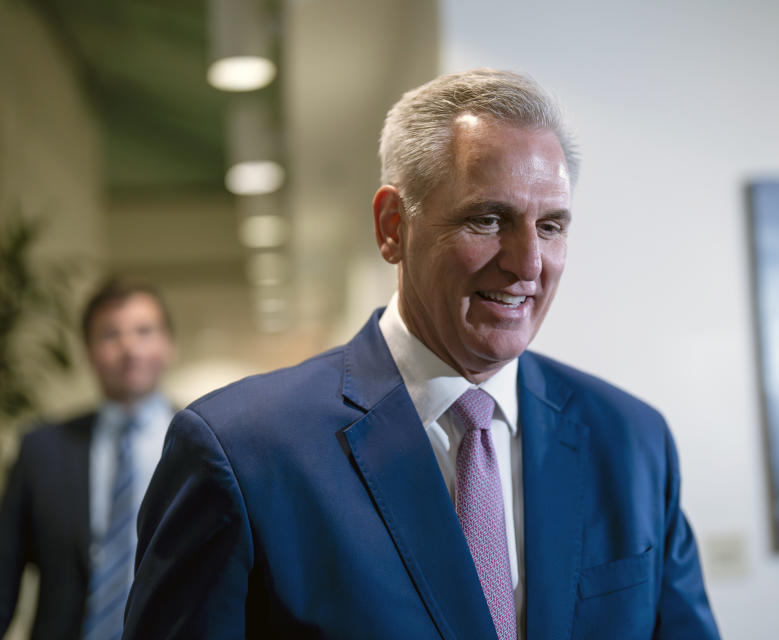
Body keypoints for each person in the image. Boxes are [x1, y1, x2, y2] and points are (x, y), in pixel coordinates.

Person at [124, 69, 721, 639]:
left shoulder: (633, 443)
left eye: (551, 227)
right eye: (489, 219)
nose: (528, 265)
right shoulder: (243, 452)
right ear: (392, 226)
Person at [0, 280, 176, 640]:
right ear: (88, 351)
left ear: (168, 344)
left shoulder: (207, 445)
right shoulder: (41, 449)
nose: (129, 347)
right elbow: (5, 568)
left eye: (144, 331)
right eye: (109, 335)